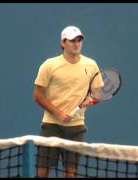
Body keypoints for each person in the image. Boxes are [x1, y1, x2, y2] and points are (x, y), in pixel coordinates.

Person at [33, 25, 103, 178]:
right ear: (63, 43)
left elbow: (97, 95)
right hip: (51, 126)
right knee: (41, 172)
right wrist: (58, 113)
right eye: (72, 41)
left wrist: (89, 102)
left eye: (79, 40)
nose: (76, 44)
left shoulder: (91, 65)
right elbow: (37, 95)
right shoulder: (49, 65)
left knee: (71, 174)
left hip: (76, 128)